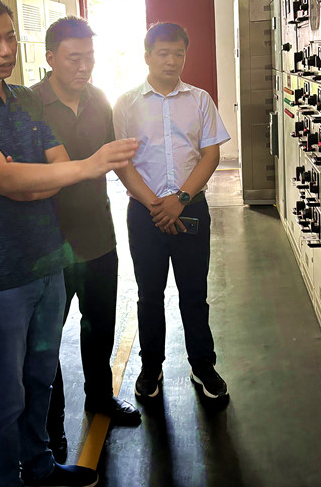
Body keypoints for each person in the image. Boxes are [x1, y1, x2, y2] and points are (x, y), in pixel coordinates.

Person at [0, 0, 137, 487]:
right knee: (6, 394)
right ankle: (8, 478)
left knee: (41, 378)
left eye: (10, 37)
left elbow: (53, 164)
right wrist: (82, 168)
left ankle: (41, 466)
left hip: (49, 261)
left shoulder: (25, 99)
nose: (6, 50)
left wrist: (43, 176)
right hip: (4, 273)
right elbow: (6, 178)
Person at [32, 17, 140, 462]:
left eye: (89, 58)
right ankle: (51, 424)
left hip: (98, 238)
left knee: (99, 326)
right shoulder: (30, 105)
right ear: (50, 58)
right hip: (48, 247)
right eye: (73, 58)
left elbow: (118, 163)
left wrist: (153, 201)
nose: (83, 67)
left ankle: (100, 397)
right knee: (45, 341)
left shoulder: (100, 101)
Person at [113, 22, 230, 402]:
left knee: (194, 293)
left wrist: (179, 198)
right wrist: (155, 204)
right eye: (163, 53)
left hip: (191, 208)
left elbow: (211, 154)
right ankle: (151, 366)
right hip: (144, 213)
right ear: (147, 56)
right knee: (149, 295)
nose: (172, 61)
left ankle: (203, 364)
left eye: (179, 53)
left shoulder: (200, 100)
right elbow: (122, 162)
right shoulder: (126, 103)